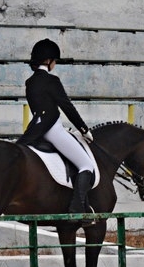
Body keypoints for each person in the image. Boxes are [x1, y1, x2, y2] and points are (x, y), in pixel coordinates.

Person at [17, 38, 95, 214]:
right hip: (52, 129)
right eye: (55, 61)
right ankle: (77, 206)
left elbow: (39, 108)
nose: (55, 64)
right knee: (86, 165)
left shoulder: (30, 82)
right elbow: (67, 107)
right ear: (49, 60)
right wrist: (84, 129)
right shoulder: (52, 80)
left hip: (36, 129)